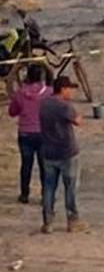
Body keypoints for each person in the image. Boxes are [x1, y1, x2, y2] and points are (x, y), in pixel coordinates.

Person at [38, 75, 82, 233]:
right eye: (69, 89)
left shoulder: (44, 104)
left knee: (49, 187)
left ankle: (48, 222)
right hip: (67, 152)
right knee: (71, 188)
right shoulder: (65, 106)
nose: (71, 92)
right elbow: (78, 121)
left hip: (49, 151)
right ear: (63, 89)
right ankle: (73, 220)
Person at [10, 62, 51, 205]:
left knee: (26, 165)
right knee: (44, 166)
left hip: (25, 133)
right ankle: (46, 195)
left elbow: (12, 112)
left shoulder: (20, 93)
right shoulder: (49, 93)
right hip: (43, 133)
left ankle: (24, 194)